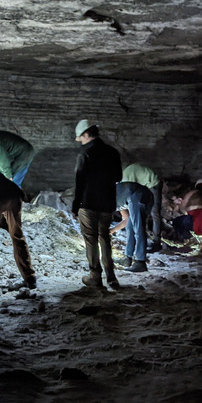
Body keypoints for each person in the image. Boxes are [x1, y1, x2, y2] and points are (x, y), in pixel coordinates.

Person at [72, 119, 122, 288]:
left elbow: (79, 182)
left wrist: (75, 205)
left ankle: (95, 275)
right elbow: (118, 178)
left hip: (88, 204)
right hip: (107, 203)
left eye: (80, 137)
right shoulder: (113, 152)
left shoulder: (85, 154)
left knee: (91, 240)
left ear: (86, 134)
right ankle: (111, 277)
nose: (80, 141)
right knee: (105, 238)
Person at [110, 182, 154, 272]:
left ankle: (140, 262)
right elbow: (126, 220)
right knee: (130, 227)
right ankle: (128, 258)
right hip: (138, 196)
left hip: (138, 195)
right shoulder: (116, 198)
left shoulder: (102, 198)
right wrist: (112, 230)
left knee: (138, 228)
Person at [122, 163, 163, 252]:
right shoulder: (126, 173)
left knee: (154, 212)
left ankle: (156, 242)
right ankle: (146, 238)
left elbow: (131, 194)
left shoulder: (125, 179)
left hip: (153, 184)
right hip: (146, 184)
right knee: (143, 213)